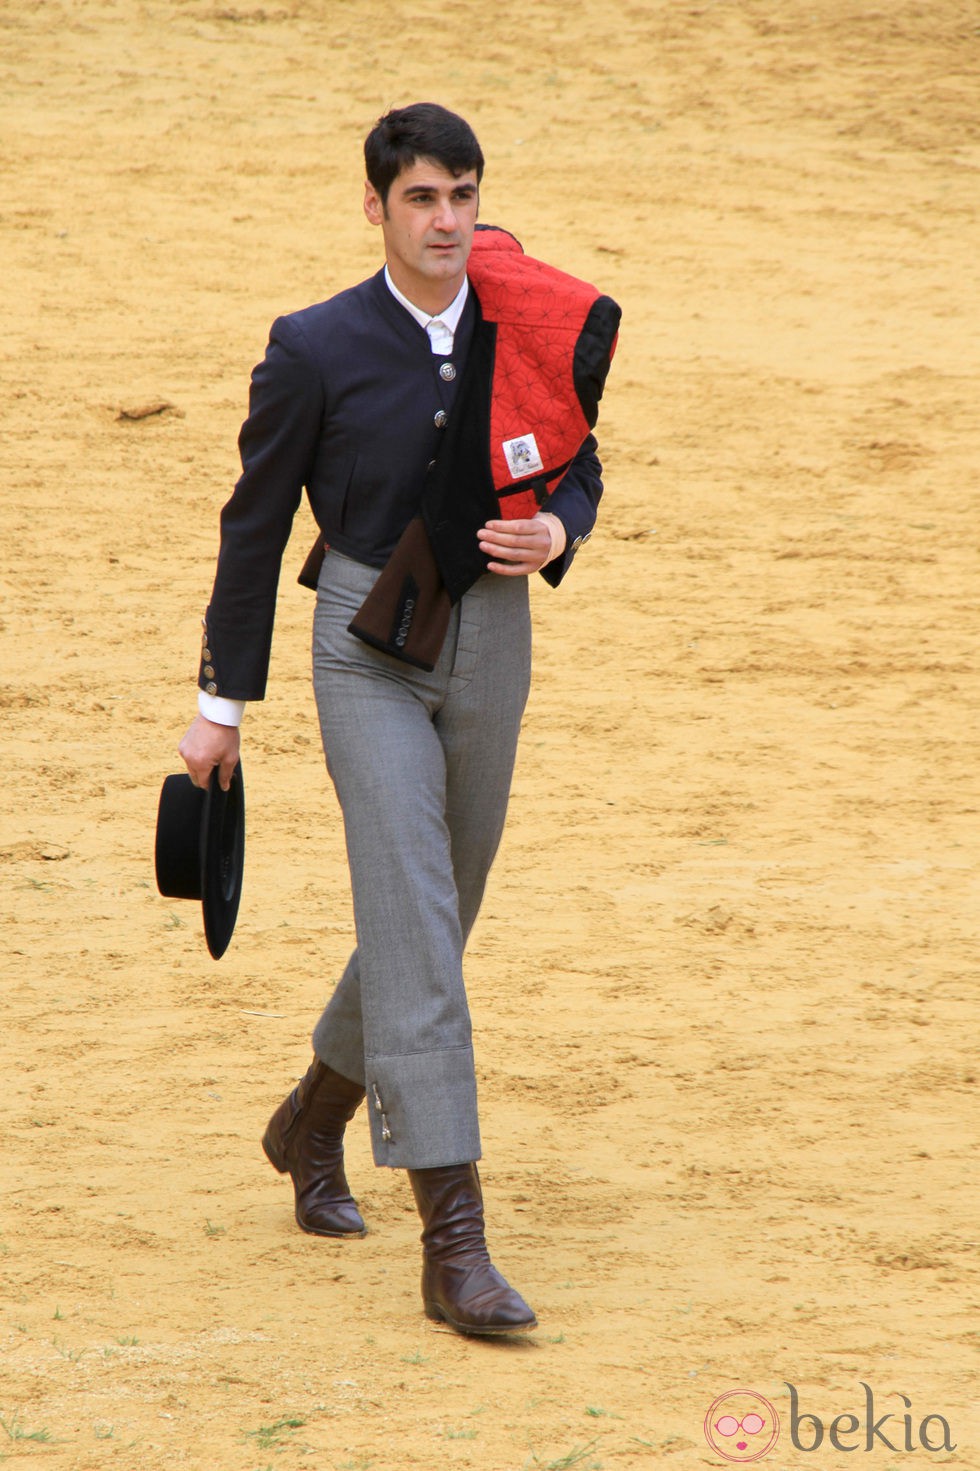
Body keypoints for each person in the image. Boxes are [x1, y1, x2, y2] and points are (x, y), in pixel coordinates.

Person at [177, 102, 619, 1336]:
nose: (444, 221)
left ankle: (311, 1117)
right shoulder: (313, 344)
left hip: (490, 634)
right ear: (374, 207)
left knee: (439, 907)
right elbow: (254, 528)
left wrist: (559, 527)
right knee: (419, 912)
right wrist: (220, 707)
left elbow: (576, 458)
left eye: (462, 196)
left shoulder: (520, 316)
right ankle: (455, 1236)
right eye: (420, 198)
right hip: (362, 645)